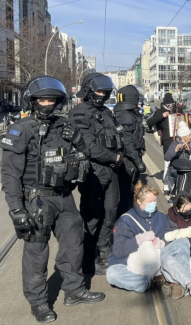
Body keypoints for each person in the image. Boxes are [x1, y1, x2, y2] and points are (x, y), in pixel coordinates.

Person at [1, 76, 104, 323]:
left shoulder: (65, 126)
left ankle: (74, 290)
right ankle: (38, 303)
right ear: (33, 101)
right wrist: (17, 210)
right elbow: (10, 174)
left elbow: (84, 156)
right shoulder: (21, 130)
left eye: (52, 99)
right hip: (37, 200)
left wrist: (78, 140)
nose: (48, 103)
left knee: (73, 244)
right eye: (42, 99)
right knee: (37, 253)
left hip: (64, 197)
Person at [106, 182, 191, 305]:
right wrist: (139, 239)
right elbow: (119, 250)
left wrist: (161, 243)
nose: (154, 205)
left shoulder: (161, 217)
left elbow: (168, 236)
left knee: (182, 242)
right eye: (150, 202)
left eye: (155, 201)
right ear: (139, 202)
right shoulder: (126, 221)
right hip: (133, 261)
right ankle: (148, 283)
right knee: (112, 275)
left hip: (157, 257)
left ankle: (178, 282)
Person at [70, 73, 123, 275]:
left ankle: (104, 251)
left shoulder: (107, 113)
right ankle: (87, 258)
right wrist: (115, 158)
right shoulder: (80, 113)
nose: (103, 95)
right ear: (88, 91)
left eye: (106, 92)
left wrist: (121, 157)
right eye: (99, 91)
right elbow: (88, 147)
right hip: (94, 171)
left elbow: (118, 137)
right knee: (92, 217)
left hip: (111, 171)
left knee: (110, 213)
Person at [115, 85, 147, 216]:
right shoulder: (127, 116)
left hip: (130, 159)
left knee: (128, 189)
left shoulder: (126, 114)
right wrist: (137, 160)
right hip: (128, 160)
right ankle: (125, 217)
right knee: (126, 191)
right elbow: (127, 142)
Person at [147, 93, 178, 192]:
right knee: (168, 161)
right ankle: (167, 182)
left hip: (178, 139)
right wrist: (162, 116)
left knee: (177, 162)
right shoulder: (159, 111)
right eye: (168, 104)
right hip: (167, 140)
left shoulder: (177, 110)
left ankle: (177, 182)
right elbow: (149, 122)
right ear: (165, 104)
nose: (170, 106)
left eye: (172, 104)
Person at [164, 122, 191, 193]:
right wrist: (175, 151)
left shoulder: (189, 144)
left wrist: (189, 151)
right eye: (189, 135)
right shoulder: (174, 144)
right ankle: (179, 192)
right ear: (183, 137)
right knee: (184, 175)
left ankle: (188, 192)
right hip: (175, 168)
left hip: (187, 167)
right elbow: (166, 158)